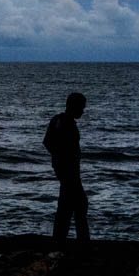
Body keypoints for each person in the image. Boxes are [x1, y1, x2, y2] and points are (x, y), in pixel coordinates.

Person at [43, 91, 89, 249]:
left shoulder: (58, 120)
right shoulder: (66, 123)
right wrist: (61, 159)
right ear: (73, 106)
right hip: (69, 172)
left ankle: (60, 240)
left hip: (66, 171)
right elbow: (49, 143)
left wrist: (57, 159)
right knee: (78, 205)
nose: (83, 111)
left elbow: (47, 142)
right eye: (81, 107)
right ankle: (80, 243)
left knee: (67, 207)